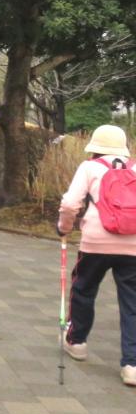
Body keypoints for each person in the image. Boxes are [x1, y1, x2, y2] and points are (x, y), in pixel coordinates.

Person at [57, 124, 136, 387]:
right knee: (132, 304)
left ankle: (77, 342)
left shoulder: (89, 168)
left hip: (95, 243)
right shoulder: (134, 169)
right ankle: (131, 365)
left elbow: (70, 203)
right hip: (132, 245)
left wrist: (64, 228)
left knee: (83, 289)